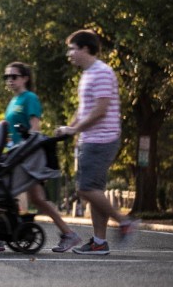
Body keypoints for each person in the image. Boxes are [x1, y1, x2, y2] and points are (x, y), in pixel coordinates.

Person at [0, 62, 82, 253]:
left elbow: (34, 128)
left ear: (25, 78)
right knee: (38, 199)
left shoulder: (29, 98)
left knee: (5, 191)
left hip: (29, 157)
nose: (10, 80)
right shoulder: (13, 101)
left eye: (14, 77)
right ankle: (69, 234)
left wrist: (22, 150)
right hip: (17, 155)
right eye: (6, 77)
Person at [56, 29, 138, 255]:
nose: (69, 54)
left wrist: (74, 130)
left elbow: (101, 110)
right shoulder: (87, 74)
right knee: (95, 191)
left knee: (85, 189)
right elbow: (84, 110)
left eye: (72, 49)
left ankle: (124, 222)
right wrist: (70, 130)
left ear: (85, 48)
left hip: (102, 138)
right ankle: (99, 242)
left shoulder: (102, 72)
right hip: (91, 138)